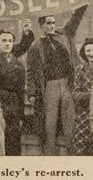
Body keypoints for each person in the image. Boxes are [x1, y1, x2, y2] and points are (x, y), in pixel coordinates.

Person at [26, 10, 83, 155]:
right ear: (41, 25)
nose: (51, 26)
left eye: (53, 22)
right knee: (49, 124)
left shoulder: (63, 36)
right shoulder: (35, 46)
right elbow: (31, 71)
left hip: (67, 84)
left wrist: (84, 3)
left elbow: (75, 19)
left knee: (69, 121)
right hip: (50, 86)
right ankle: (49, 157)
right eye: (48, 23)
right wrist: (31, 92)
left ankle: (73, 153)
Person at [0, 30, 26, 156]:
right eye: (4, 40)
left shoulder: (18, 64)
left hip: (14, 107)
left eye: (10, 41)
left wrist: (21, 115)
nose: (7, 44)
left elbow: (21, 91)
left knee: (13, 142)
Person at [70, 37, 93, 155]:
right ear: (84, 52)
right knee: (79, 150)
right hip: (84, 115)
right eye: (88, 51)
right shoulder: (80, 70)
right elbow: (75, 94)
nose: (91, 53)